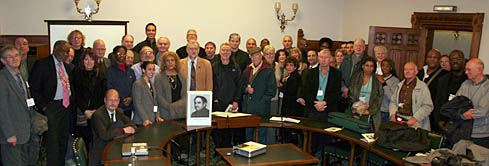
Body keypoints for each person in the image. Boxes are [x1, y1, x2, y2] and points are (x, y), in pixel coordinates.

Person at [30, 40, 74, 166]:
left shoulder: (65, 66)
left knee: (63, 140)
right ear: (55, 50)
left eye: (68, 52)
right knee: (53, 142)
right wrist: (44, 107)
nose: (66, 54)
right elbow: (34, 88)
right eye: (64, 51)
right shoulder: (43, 64)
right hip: (51, 107)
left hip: (65, 106)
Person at [297, 49, 341, 155]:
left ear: (330, 59)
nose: (324, 60)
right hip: (313, 109)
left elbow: (336, 93)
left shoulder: (336, 73)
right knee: (312, 138)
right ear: (318, 58)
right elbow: (307, 91)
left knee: (326, 139)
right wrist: (315, 103)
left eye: (326, 57)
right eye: (321, 57)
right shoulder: (310, 72)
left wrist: (325, 103)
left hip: (328, 109)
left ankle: (324, 158)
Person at [0, 46, 34, 166]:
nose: (14, 59)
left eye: (16, 55)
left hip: (25, 133)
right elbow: (2, 110)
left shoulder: (20, 76)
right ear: (3, 61)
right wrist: (10, 134)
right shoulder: (2, 79)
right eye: (9, 57)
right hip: (11, 135)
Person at [89, 89, 136, 166]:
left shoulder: (119, 111)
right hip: (101, 151)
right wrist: (123, 130)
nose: (113, 103)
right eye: (110, 100)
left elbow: (132, 124)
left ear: (118, 101)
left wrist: (125, 129)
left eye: (115, 100)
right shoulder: (98, 115)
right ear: (105, 100)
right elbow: (104, 135)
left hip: (116, 148)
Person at [72, 48, 106, 151]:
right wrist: (85, 110)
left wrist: (96, 111)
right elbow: (75, 94)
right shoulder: (76, 73)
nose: (89, 62)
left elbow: (102, 93)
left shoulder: (100, 74)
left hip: (96, 112)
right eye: (86, 59)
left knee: (96, 141)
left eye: (92, 59)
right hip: (82, 113)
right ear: (82, 61)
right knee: (83, 142)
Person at [242, 47, 277, 144]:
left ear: (261, 56)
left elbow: (271, 91)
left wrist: (261, 101)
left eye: (256, 55)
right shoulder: (248, 70)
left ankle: (261, 157)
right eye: (252, 56)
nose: (254, 58)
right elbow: (241, 86)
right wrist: (246, 89)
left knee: (261, 136)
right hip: (248, 108)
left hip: (262, 109)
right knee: (248, 135)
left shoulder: (268, 70)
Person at [212, 43, 242, 148]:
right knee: (218, 127)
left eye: (227, 51)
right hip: (217, 102)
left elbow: (239, 85)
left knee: (229, 127)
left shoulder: (236, 66)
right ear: (219, 52)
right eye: (223, 50)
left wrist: (236, 100)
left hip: (231, 102)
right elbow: (212, 84)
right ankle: (218, 148)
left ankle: (227, 147)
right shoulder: (214, 66)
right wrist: (214, 98)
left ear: (231, 52)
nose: (225, 53)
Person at [389, 62, 433, 131]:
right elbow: (393, 102)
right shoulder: (399, 86)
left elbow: (428, 106)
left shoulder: (422, 87)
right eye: (405, 69)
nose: (407, 71)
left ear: (416, 72)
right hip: (399, 121)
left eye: (410, 69)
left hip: (415, 122)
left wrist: (415, 118)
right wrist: (392, 114)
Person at [456, 58, 489, 148]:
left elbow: (482, 111)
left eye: (469, 69)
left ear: (479, 70)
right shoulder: (465, 84)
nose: (466, 72)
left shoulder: (487, 87)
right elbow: (455, 104)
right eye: (466, 69)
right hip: (462, 131)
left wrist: (463, 114)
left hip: (480, 135)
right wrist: (462, 114)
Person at [434, 50, 467, 131]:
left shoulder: (468, 80)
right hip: (444, 121)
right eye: (452, 59)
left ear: (464, 61)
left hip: (462, 122)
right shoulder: (443, 80)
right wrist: (438, 119)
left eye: (458, 59)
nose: (455, 61)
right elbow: (438, 101)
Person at [347, 56, 383, 131]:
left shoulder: (377, 80)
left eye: (371, 66)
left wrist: (369, 111)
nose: (369, 68)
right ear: (363, 66)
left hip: (371, 112)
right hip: (355, 109)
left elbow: (379, 97)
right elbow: (351, 94)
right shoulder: (356, 77)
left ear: (374, 68)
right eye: (367, 65)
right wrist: (354, 107)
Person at [417, 49, 448, 130]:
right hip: (417, 111)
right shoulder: (419, 73)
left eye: (435, 57)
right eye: (430, 57)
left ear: (439, 60)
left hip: (434, 114)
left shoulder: (445, 75)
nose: (432, 59)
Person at [154, 51, 187, 120]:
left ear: (176, 62)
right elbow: (158, 96)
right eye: (167, 60)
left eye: (172, 60)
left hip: (181, 111)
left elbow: (185, 94)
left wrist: (176, 105)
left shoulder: (181, 76)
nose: (170, 62)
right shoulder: (159, 77)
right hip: (165, 112)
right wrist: (169, 106)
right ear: (164, 63)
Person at [106, 45, 136, 118]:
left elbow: (134, 86)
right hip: (116, 106)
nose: (122, 55)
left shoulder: (131, 71)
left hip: (129, 106)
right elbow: (109, 87)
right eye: (119, 53)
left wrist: (131, 98)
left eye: (124, 53)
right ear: (114, 55)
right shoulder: (109, 71)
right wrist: (121, 100)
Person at [280, 56, 303, 145]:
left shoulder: (294, 77)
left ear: (295, 67)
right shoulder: (289, 77)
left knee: (291, 129)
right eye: (287, 65)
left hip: (291, 107)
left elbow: (290, 92)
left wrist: (283, 84)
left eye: (291, 65)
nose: (289, 67)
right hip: (289, 105)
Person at [133, 61, 163, 127]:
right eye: (149, 69)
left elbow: (154, 103)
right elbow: (138, 104)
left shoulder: (151, 84)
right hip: (142, 121)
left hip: (152, 120)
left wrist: (157, 116)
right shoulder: (138, 84)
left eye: (153, 69)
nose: (152, 72)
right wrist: (145, 119)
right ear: (143, 70)